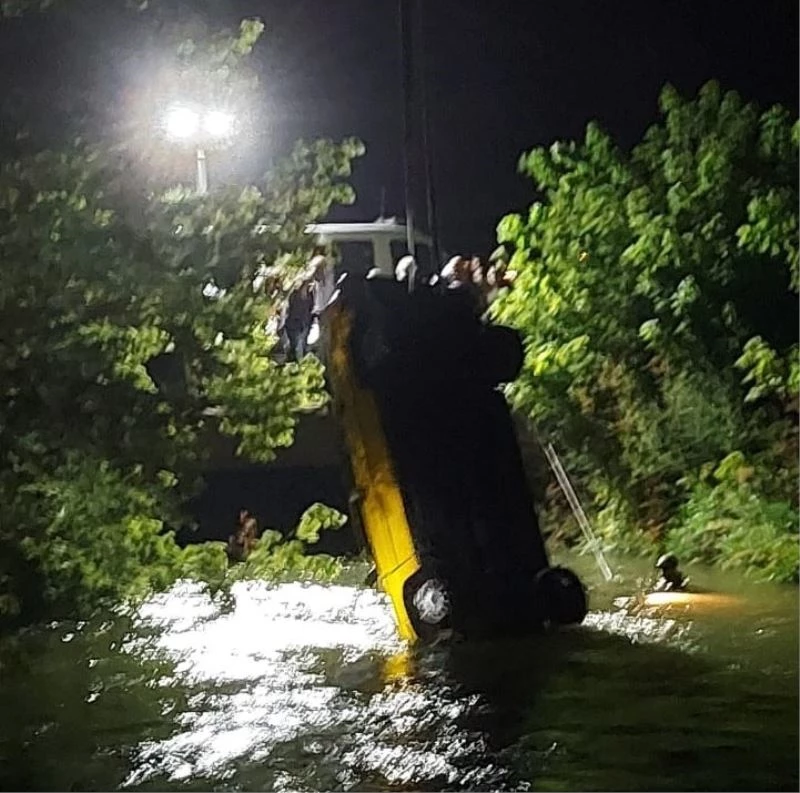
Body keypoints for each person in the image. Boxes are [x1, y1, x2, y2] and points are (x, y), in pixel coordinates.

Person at [280, 279, 316, 361]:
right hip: (300, 318)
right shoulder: (293, 342)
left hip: (298, 318)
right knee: (303, 300)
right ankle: (307, 283)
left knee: (302, 300)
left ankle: (306, 283)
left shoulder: (290, 342)